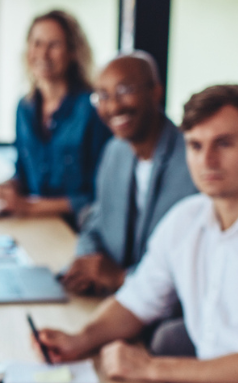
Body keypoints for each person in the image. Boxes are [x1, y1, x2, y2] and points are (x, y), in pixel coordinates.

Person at [34, 85, 238, 383]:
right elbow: (136, 301)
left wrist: (150, 368)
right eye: (195, 145)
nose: (207, 161)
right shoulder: (185, 220)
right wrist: (81, 339)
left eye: (224, 143)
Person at [60, 52, 197, 296]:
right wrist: (87, 263)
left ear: (155, 92)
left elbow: (191, 265)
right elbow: (95, 223)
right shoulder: (115, 152)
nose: (113, 106)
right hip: (112, 299)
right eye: (103, 96)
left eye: (124, 90)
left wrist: (121, 278)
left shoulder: (193, 161)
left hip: (163, 310)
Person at [0, 10, 112, 222]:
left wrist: (29, 207)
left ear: (72, 52)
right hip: (36, 225)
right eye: (37, 43)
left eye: (54, 45)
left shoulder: (92, 110)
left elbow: (98, 195)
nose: (42, 54)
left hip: (76, 228)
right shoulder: (24, 108)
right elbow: (23, 175)